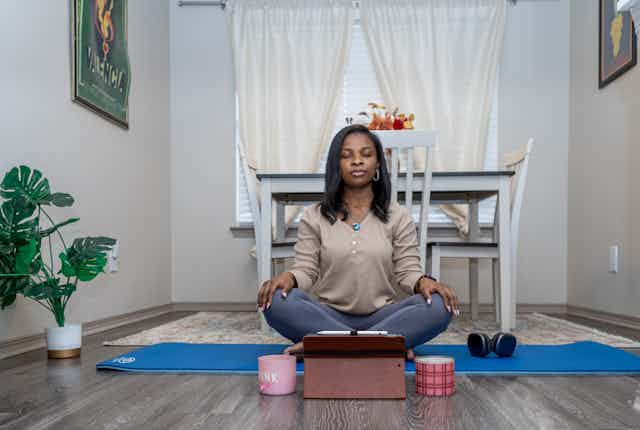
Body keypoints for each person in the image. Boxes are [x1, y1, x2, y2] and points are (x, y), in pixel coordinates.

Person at [257, 124, 460, 361]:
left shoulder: (398, 215)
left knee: (438, 305)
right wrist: (288, 278)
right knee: (278, 302)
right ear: (336, 165)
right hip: (328, 316)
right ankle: (382, 346)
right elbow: (306, 269)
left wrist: (425, 282)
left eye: (366, 154)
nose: (357, 161)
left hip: (384, 317)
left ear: (377, 165)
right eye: (346, 155)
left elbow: (408, 272)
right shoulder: (314, 215)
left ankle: (327, 345)